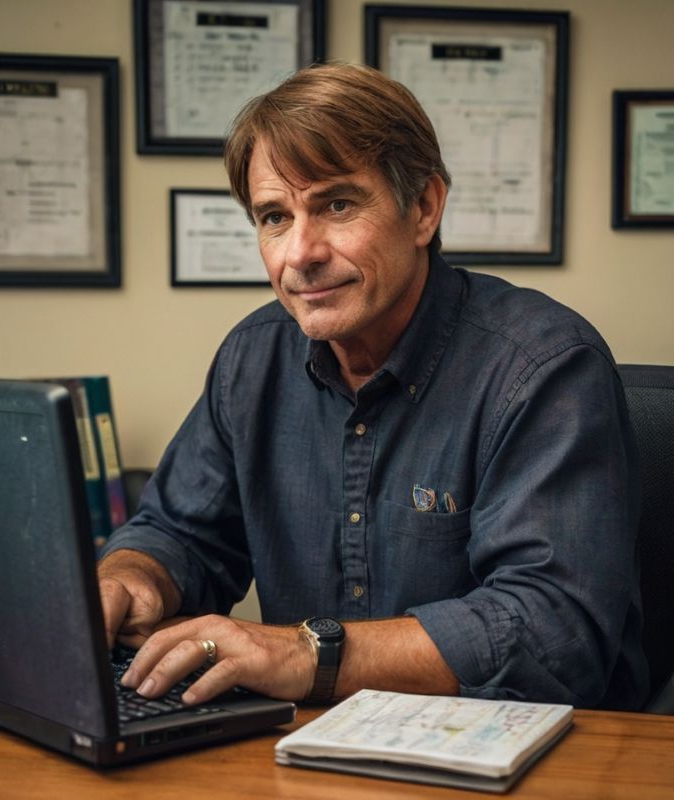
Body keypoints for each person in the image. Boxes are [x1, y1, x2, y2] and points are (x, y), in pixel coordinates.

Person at [98, 62, 648, 711]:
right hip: (307, 745)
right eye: (275, 216)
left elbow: (551, 632)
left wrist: (305, 652)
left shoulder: (543, 366)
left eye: (336, 204)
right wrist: (131, 576)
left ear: (423, 207)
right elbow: (182, 532)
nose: (300, 252)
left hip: (525, 752)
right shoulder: (254, 358)